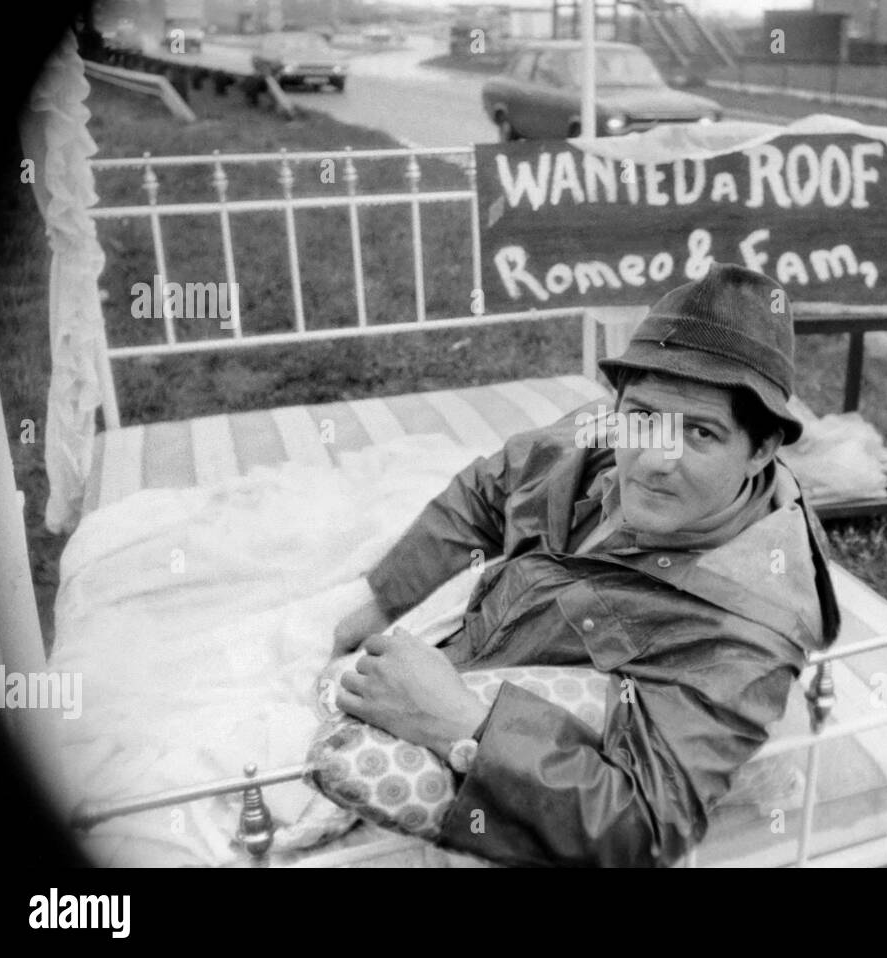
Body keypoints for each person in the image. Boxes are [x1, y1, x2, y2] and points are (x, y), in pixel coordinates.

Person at [331, 263, 840, 867]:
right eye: (644, 417)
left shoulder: (744, 635)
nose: (653, 460)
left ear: (761, 450)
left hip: (467, 725)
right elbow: (489, 487)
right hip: (445, 651)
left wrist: (463, 727)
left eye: (701, 434)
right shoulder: (597, 444)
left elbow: (646, 827)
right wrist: (383, 601)